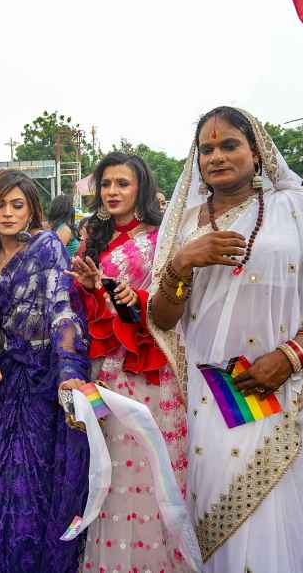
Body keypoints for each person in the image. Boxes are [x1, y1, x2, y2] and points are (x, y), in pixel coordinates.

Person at [148, 107, 303, 573]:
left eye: (229, 145)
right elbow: (163, 318)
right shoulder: (184, 222)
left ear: (257, 151)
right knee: (207, 508)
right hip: (206, 395)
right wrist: (182, 264)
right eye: (207, 149)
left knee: (270, 522)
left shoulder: (299, 209)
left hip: (278, 392)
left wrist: (289, 355)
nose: (217, 156)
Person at [0, 171, 90, 572]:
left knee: (39, 480)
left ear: (32, 208)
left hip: (48, 380)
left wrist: (67, 372)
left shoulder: (46, 246)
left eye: (17, 205)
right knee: (3, 478)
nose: (7, 213)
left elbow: (60, 309)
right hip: (9, 375)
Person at [67, 152, 189, 572]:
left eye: (122, 183)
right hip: (108, 369)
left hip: (150, 367)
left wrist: (132, 301)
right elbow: (90, 312)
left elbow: (173, 305)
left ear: (141, 188)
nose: (112, 192)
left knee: (150, 466)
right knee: (113, 468)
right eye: (106, 184)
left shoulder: (162, 238)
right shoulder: (92, 239)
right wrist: (91, 288)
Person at [47, 193, 80, 257]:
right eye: (71, 205)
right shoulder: (64, 229)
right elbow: (57, 256)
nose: (73, 208)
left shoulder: (59, 227)